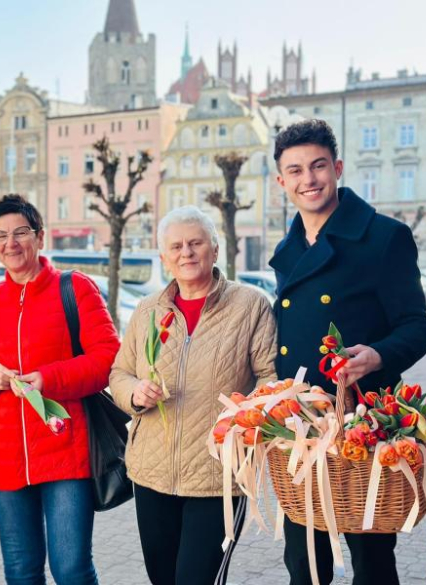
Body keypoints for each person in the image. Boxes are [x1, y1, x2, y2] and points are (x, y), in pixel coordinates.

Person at [269, 119, 426, 585]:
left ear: (338, 167)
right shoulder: (288, 247)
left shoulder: (384, 237)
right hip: (302, 423)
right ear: (281, 182)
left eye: (318, 166)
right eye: (296, 171)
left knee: (372, 557)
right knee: (303, 560)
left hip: (365, 423)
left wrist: (379, 356)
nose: (309, 180)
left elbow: (417, 325)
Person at [109, 206, 277, 585]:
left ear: (214, 250)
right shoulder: (148, 310)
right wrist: (135, 392)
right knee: (163, 579)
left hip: (217, 475)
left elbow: (271, 378)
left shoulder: (250, 306)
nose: (186, 252)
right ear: (164, 258)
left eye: (196, 243)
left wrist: (244, 422)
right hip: (151, 474)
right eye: (176, 246)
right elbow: (119, 373)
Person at [0, 194, 119, 585]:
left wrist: (50, 378)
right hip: (5, 459)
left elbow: (108, 358)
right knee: (21, 572)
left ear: (40, 237)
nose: (10, 244)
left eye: (21, 233)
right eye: (0, 236)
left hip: (66, 452)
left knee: (72, 570)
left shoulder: (75, 288)